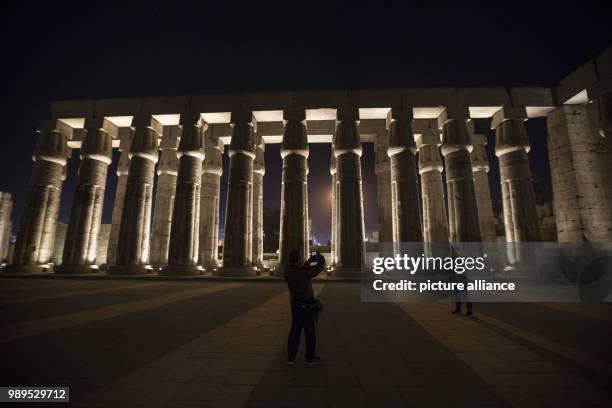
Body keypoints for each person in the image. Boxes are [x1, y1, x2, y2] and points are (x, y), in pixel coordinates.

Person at [284, 249, 325, 366]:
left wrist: (308, 262)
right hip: (306, 306)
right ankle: (310, 357)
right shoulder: (302, 273)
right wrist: (319, 256)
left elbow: (300, 270)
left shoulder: (288, 271)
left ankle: (291, 357)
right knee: (310, 332)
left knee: (295, 332)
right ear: (298, 260)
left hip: (296, 305)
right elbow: (318, 269)